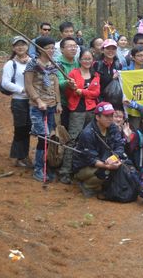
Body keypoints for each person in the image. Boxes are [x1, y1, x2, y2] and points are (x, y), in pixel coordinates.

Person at [24, 36, 62, 182]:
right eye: (48, 48)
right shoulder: (32, 64)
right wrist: (38, 100)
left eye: (53, 48)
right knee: (43, 137)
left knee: (50, 137)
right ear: (40, 49)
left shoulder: (54, 64)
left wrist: (58, 103)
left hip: (52, 106)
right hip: (37, 107)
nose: (51, 50)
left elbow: (55, 84)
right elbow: (28, 85)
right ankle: (38, 169)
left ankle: (46, 166)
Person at [61, 49, 100, 184]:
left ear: (93, 60)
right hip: (76, 110)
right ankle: (65, 171)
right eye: (84, 59)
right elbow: (68, 93)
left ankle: (80, 170)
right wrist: (73, 88)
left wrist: (82, 92)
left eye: (89, 59)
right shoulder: (73, 73)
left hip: (91, 110)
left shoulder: (95, 74)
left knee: (89, 140)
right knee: (73, 139)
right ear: (80, 60)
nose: (87, 61)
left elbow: (96, 93)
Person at [71, 101, 125, 197]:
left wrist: (114, 158)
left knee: (123, 164)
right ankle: (87, 186)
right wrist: (108, 166)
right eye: (106, 116)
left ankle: (99, 184)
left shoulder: (113, 127)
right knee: (105, 172)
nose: (110, 119)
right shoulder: (87, 133)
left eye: (111, 115)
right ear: (97, 117)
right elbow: (90, 160)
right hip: (83, 167)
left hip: (103, 159)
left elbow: (119, 146)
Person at [1, 36, 32, 167]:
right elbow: (5, 83)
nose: (20, 47)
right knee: (20, 129)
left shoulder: (33, 62)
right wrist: (22, 90)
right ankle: (19, 157)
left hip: (33, 101)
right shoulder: (10, 64)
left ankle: (24, 155)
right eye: (17, 45)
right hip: (19, 101)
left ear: (27, 46)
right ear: (13, 48)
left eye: (23, 44)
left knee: (28, 128)